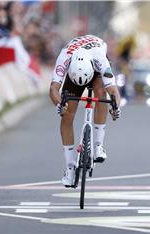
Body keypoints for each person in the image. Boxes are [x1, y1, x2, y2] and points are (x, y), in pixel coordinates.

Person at [49, 35, 121, 186]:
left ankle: (98, 146)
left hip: (95, 72)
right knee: (67, 113)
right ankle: (69, 168)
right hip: (73, 75)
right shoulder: (64, 58)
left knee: (101, 93)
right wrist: (59, 105)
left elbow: (113, 90)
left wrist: (116, 107)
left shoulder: (100, 59)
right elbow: (54, 88)